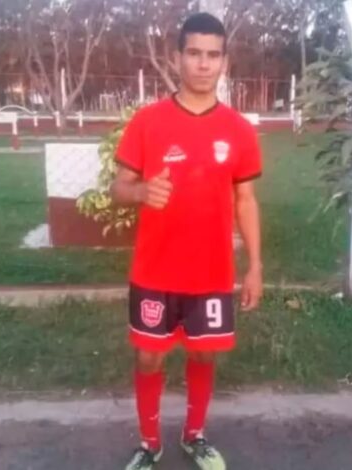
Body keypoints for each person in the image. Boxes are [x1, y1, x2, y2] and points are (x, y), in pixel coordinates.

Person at [112, 11, 263, 470]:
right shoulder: (147, 121)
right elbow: (118, 187)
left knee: (203, 352)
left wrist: (255, 266)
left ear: (224, 62)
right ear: (176, 57)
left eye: (212, 55)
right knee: (148, 357)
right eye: (194, 53)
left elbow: (246, 200)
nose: (203, 63)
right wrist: (141, 192)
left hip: (211, 272)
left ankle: (194, 435)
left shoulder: (238, 129)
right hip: (155, 270)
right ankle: (149, 443)